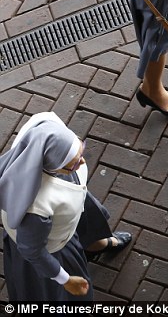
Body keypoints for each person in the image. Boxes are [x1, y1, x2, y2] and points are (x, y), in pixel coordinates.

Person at [0, 112, 132, 301]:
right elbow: (32, 250)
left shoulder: (45, 133)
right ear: (53, 165)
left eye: (81, 150)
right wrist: (65, 279)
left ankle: (95, 245)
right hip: (55, 244)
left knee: (85, 221)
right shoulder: (35, 212)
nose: (82, 161)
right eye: (73, 164)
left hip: (68, 207)